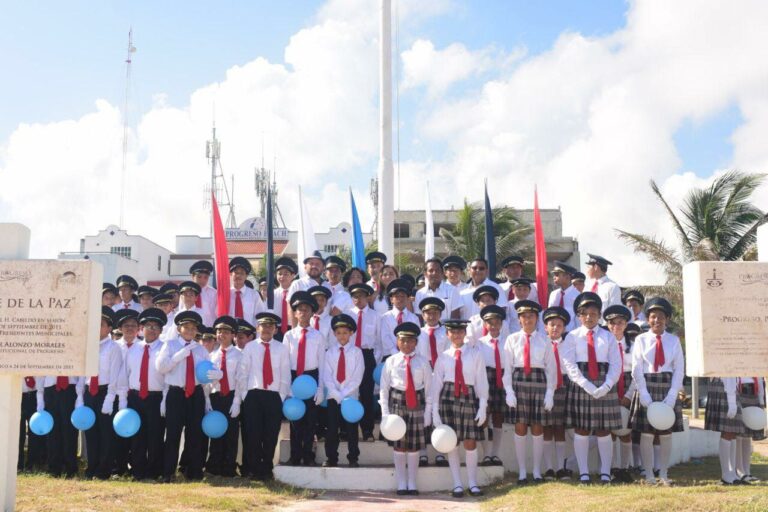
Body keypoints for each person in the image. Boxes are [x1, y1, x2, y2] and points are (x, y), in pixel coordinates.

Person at [561, 292, 623, 484]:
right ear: (579, 316)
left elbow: (616, 363)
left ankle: (605, 472)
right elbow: (569, 364)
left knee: (604, 429)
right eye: (585, 313)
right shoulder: (572, 336)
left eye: (594, 313)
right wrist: (585, 384)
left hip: (604, 382)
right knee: (581, 429)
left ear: (599, 315)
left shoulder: (608, 336)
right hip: (581, 383)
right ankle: (584, 472)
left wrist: (607, 385)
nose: (589, 317)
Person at [628, 297, 684, 486]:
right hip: (647, 384)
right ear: (648, 319)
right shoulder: (641, 339)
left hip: (666, 385)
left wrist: (672, 394)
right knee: (647, 433)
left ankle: (664, 473)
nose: (656, 320)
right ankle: (649, 474)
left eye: (660, 317)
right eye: (653, 317)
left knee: (665, 433)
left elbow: (679, 369)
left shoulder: (674, 341)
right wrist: (643, 392)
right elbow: (636, 367)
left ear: (666, 319)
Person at [432, 319, 488, 498]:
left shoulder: (475, 354)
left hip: (469, 396)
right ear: (447, 334)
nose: (456, 335)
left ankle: (472, 482)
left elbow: (481, 380)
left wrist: (483, 405)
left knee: (470, 441)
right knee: (452, 442)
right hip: (448, 398)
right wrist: (434, 410)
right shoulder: (443, 356)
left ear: (465, 333)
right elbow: (436, 384)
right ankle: (457, 483)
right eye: (453, 332)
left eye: (460, 332)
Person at [503, 300, 557, 484]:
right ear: (519, 319)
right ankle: (522, 472)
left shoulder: (545, 340)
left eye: (531, 316)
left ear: (537, 318)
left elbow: (551, 368)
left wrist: (550, 393)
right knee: (520, 426)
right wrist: (509, 391)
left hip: (539, 382)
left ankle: (536, 471)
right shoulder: (511, 339)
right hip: (519, 382)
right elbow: (507, 369)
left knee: (537, 426)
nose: (528, 319)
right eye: (524, 316)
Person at [156, 311, 212, 482]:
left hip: (195, 393)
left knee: (195, 434)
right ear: (179, 329)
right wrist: (178, 357)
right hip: (176, 393)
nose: (189, 331)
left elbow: (205, 375)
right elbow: (161, 367)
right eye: (186, 327)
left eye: (193, 328)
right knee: (173, 434)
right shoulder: (170, 345)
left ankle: (194, 471)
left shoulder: (200, 349)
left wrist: (214, 377)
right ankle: (168, 472)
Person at [235, 312, 291, 481]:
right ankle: (252, 468)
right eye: (263, 326)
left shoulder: (281, 348)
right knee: (252, 434)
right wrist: (245, 394)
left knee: (270, 434)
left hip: (273, 396)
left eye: (270, 326)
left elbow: (285, 373)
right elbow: (243, 372)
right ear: (257, 328)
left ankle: (266, 468)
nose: (266, 329)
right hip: (253, 394)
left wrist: (280, 396)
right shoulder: (250, 347)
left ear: (275, 329)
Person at [380, 322, 432, 495]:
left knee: (414, 444)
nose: (407, 344)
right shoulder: (391, 361)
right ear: (397, 341)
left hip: (416, 401)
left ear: (416, 342)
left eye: (411, 341)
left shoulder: (423, 362)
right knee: (399, 443)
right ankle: (401, 483)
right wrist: (385, 414)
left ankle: (412, 483)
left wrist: (428, 412)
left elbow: (429, 389)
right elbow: (384, 388)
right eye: (403, 340)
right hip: (396, 401)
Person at [119, 307, 167, 481]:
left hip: (156, 397)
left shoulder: (164, 348)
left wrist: (165, 399)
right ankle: (138, 471)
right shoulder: (134, 349)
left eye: (156, 327)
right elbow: (125, 375)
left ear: (161, 331)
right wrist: (124, 400)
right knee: (137, 436)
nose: (151, 330)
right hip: (136, 397)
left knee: (155, 436)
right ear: (142, 329)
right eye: (148, 326)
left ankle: (154, 471)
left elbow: (168, 376)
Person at [79, 306, 122, 480]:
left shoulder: (113, 347)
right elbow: (83, 373)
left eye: (101, 324)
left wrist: (110, 398)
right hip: (90, 392)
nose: (97, 327)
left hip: (105, 392)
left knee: (105, 433)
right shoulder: (88, 346)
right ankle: (92, 467)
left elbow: (115, 375)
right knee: (91, 432)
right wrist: (81, 396)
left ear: (109, 328)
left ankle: (103, 470)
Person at [283, 291, 325, 466]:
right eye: (299, 309)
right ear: (295, 313)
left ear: (312, 313)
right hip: (294, 377)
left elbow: (322, 363)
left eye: (307, 309)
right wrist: (288, 387)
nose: (303, 313)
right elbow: (285, 363)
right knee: (295, 419)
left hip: (311, 377)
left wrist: (320, 387)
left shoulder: (318, 336)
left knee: (310, 420)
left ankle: (308, 455)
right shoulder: (289, 335)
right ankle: (295, 455)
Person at [323, 314, 365, 468]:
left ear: (351, 333)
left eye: (345, 333)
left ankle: (353, 457)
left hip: (350, 397)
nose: (342, 336)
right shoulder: (330, 352)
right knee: (332, 428)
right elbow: (327, 375)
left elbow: (357, 376)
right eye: (339, 333)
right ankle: (331, 457)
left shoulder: (356, 352)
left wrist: (344, 393)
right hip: (333, 397)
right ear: (334, 334)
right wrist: (335, 393)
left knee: (351, 428)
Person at [205, 315, 242, 477]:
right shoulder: (211, 355)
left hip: (232, 396)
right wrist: (207, 399)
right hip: (216, 396)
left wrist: (237, 402)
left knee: (231, 434)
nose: (222, 335)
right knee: (216, 432)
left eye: (226, 332)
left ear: (233, 334)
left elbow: (241, 380)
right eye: (219, 332)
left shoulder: (239, 354)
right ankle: (214, 466)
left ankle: (228, 468)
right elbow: (205, 381)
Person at [415, 297, 450, 466]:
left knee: (440, 413)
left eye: (435, 312)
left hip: (441, 375)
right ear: (422, 314)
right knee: (423, 413)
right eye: (428, 313)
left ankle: (440, 452)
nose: (432, 315)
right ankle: (422, 453)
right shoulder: (418, 333)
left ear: (440, 314)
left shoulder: (447, 333)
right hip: (423, 376)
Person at [603, 304, 635, 483]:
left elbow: (637, 372)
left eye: (620, 322)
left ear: (626, 324)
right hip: (610, 385)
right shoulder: (604, 344)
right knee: (611, 430)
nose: (616, 326)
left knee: (626, 430)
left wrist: (629, 395)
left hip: (628, 385)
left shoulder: (633, 345)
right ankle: (613, 467)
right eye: (612, 323)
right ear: (607, 325)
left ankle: (625, 467)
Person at [348, 283, 382, 442]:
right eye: (355, 296)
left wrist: (373, 361)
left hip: (368, 356)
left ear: (367, 297)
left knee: (367, 394)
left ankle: (367, 430)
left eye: (361, 296)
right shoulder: (348, 315)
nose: (358, 299)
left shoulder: (375, 316)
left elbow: (379, 342)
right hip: (351, 355)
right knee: (350, 392)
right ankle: (348, 431)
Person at [540, 307, 572, 480]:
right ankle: (549, 468)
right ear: (545, 327)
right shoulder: (540, 342)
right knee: (547, 427)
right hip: (545, 387)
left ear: (564, 328)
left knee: (559, 427)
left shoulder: (569, 344)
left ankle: (560, 467)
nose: (555, 328)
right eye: (552, 324)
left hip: (563, 386)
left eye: (559, 325)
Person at [477, 305, 508, 468]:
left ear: (502, 324)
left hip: (502, 377)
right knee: (484, 416)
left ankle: (496, 453)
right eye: (490, 323)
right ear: (485, 325)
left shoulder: (508, 341)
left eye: (497, 322)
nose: (494, 326)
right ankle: (486, 454)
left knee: (498, 417)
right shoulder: (480, 344)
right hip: (485, 377)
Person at [37, 372, 83, 477]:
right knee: (53, 431)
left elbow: (81, 373)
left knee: (69, 431)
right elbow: (40, 373)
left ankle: (71, 468)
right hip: (50, 389)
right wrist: (40, 398)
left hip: (70, 389)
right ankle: (54, 468)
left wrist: (80, 395)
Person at [705, 376, 744, 485]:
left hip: (729, 387)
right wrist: (731, 401)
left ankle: (732, 473)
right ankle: (726, 473)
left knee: (733, 432)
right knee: (728, 430)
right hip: (724, 386)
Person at [380, 279, 420, 360]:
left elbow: (417, 337)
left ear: (408, 298)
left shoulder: (414, 318)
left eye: (403, 296)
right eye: (397, 296)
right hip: (390, 355)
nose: (400, 299)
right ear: (391, 300)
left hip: (410, 354)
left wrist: (407, 352)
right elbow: (385, 337)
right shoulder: (385, 317)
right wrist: (397, 353)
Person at [735, 376, 765, 483]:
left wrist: (761, 402)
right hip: (739, 395)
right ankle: (739, 470)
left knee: (747, 436)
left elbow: (760, 382)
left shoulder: (753, 365)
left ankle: (747, 470)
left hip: (753, 396)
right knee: (739, 435)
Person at [18, 374, 46, 472]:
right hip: (18, 393)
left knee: (34, 432)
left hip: (36, 394)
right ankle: (18, 465)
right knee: (18, 433)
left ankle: (32, 464)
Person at [228, 257, 265, 324]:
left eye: (242, 273)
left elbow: (260, 318)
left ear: (246, 276)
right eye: (236, 273)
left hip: (249, 333)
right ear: (230, 274)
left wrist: (255, 334)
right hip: (230, 333)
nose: (238, 276)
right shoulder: (225, 295)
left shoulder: (254, 295)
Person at [548, 261, 579, 331]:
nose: (554, 277)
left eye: (557, 274)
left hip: (570, 334)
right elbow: (549, 315)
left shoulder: (577, 296)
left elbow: (578, 320)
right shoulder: (553, 294)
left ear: (567, 277)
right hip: (555, 333)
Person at [273, 257, 298, 341]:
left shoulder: (297, 293)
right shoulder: (272, 294)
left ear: (293, 276)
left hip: (293, 328)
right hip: (276, 331)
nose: (282, 277)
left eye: (286, 274)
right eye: (279, 274)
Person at [190, 260, 217, 328]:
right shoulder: (186, 293)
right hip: (191, 329)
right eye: (199, 277)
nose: (202, 280)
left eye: (206, 277)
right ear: (193, 277)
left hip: (208, 329)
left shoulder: (214, 293)